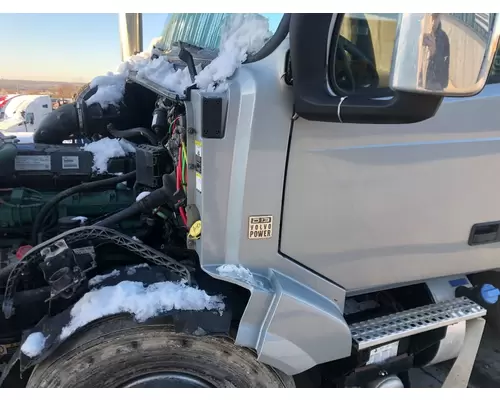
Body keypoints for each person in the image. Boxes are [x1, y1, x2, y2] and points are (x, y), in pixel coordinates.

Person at [422, 13, 450, 90]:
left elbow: (444, 82)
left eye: (435, 16)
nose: (432, 22)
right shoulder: (408, 34)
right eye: (428, 16)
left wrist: (434, 53)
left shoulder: (443, 38)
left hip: (432, 93)